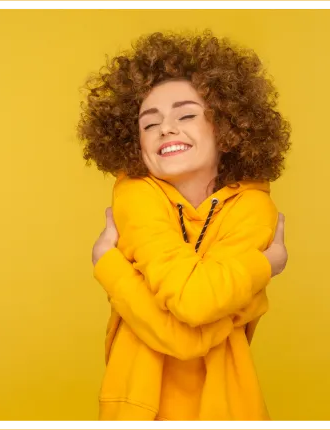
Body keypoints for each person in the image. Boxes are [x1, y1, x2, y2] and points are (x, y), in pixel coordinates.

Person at [78, 31, 291, 422]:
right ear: (134, 142)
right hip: (139, 412)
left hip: (228, 410)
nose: (166, 128)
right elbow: (192, 321)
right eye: (149, 123)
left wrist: (111, 267)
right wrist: (260, 272)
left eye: (187, 114)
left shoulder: (254, 207)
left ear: (227, 127)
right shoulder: (135, 195)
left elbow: (191, 310)